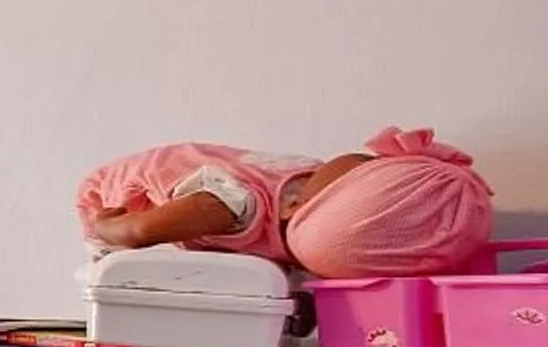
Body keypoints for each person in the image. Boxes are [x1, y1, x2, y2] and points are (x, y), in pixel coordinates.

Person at [77, 129, 491, 278]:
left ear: (297, 206)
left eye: (356, 171)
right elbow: (191, 211)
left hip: (120, 208)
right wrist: (128, 232)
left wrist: (123, 231)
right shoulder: (258, 204)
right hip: (141, 184)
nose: (357, 158)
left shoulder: (250, 208)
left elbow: (158, 226)